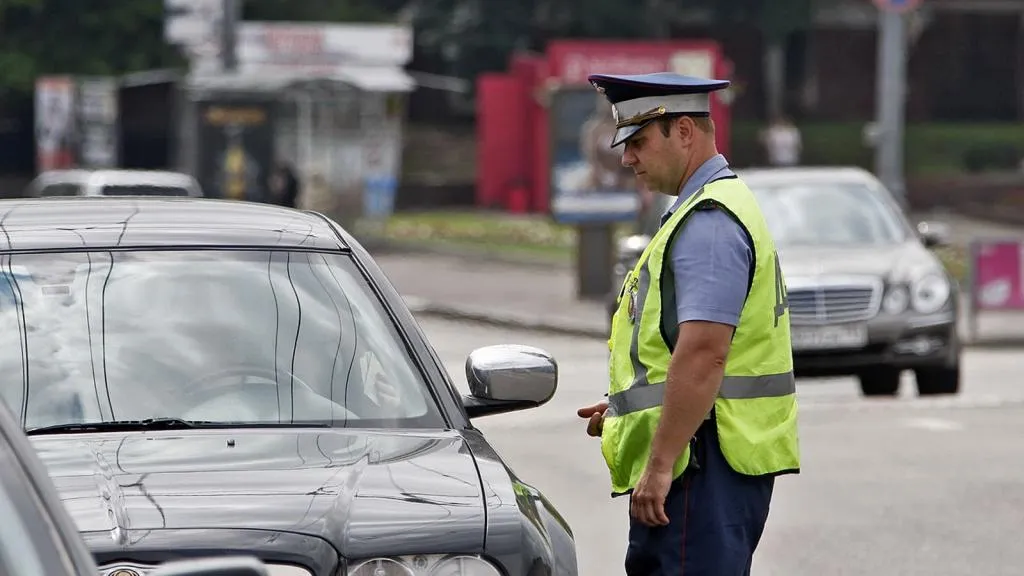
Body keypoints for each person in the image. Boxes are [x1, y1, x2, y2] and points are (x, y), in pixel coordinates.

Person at [576, 72, 800, 575]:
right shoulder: (705, 210)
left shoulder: (709, 223)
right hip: (704, 457)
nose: (627, 158)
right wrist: (628, 404)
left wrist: (659, 466)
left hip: (700, 464)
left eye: (638, 141)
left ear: (683, 131)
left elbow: (703, 354)